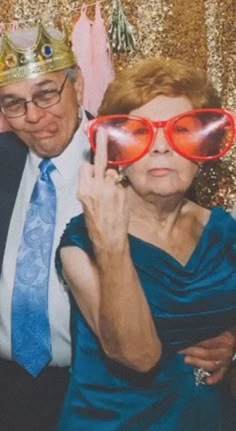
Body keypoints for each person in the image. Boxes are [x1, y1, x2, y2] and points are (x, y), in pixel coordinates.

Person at [56, 57, 236, 430]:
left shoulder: (225, 231)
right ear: (116, 156)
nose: (160, 148)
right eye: (140, 134)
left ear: (204, 150)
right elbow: (137, 355)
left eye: (181, 131)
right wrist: (111, 241)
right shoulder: (80, 243)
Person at [0, 21, 93, 431]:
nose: (34, 116)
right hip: (7, 389)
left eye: (46, 94)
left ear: (79, 85)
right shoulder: (1, 158)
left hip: (98, 390)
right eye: (13, 103)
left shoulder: (127, 158)